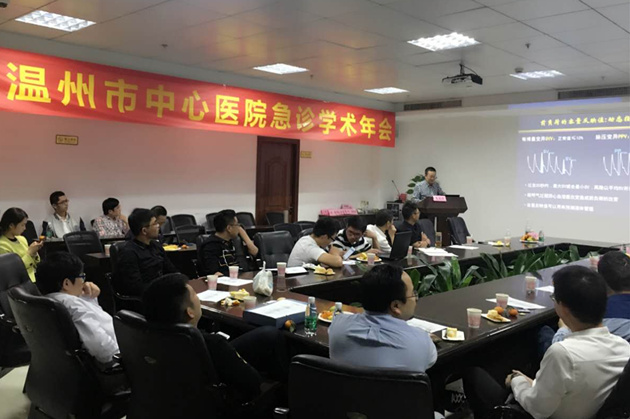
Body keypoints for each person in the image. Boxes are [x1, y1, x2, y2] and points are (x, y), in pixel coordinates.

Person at [464, 265, 630, 419]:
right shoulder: (623, 347)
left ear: (563, 308)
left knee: (474, 375)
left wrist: (516, 380)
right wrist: (533, 383)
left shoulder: (563, 353)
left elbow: (537, 409)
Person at [142, 274, 289, 405]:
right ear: (190, 312)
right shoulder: (213, 344)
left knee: (268, 335)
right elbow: (253, 383)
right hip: (223, 401)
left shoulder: (151, 337)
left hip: (175, 396)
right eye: (195, 296)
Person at [329, 264, 437, 372]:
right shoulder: (422, 342)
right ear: (396, 306)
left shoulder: (338, 325)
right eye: (413, 294)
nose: (416, 299)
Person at [36, 252, 118, 364]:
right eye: (82, 276)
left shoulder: (49, 302)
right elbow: (102, 348)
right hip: (117, 357)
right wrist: (121, 356)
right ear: (66, 283)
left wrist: (89, 297)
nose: (84, 282)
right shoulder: (74, 306)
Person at [541, 251, 630, 349]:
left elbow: (569, 347)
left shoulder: (602, 313)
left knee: (542, 332)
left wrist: (564, 328)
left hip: (583, 352)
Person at [114, 209, 178, 296]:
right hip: (146, 296)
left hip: (161, 290)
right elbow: (135, 286)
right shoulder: (129, 253)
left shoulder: (156, 246)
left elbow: (171, 270)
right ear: (144, 231)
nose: (158, 226)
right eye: (155, 223)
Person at [200, 210, 258, 276]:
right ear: (229, 228)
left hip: (240, 277)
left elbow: (254, 251)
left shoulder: (233, 241)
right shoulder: (210, 246)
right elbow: (214, 273)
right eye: (237, 225)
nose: (239, 228)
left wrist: (244, 234)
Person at [0, 208, 42, 282]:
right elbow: (13, 269)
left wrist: (34, 252)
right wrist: (30, 253)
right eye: (22, 225)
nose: (24, 228)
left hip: (33, 277)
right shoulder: (2, 245)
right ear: (11, 225)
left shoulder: (22, 239)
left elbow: (36, 263)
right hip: (18, 282)